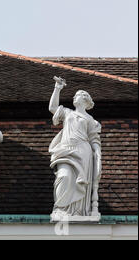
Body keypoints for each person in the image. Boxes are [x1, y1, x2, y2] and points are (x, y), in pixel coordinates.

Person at [48, 77, 102, 220]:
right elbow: (52, 108)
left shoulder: (90, 120)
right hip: (65, 149)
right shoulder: (67, 113)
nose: (74, 97)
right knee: (63, 176)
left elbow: (93, 138)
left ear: (85, 99)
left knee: (80, 182)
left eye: (77, 95)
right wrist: (57, 88)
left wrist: (97, 153)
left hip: (83, 151)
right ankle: (60, 208)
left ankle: (78, 211)